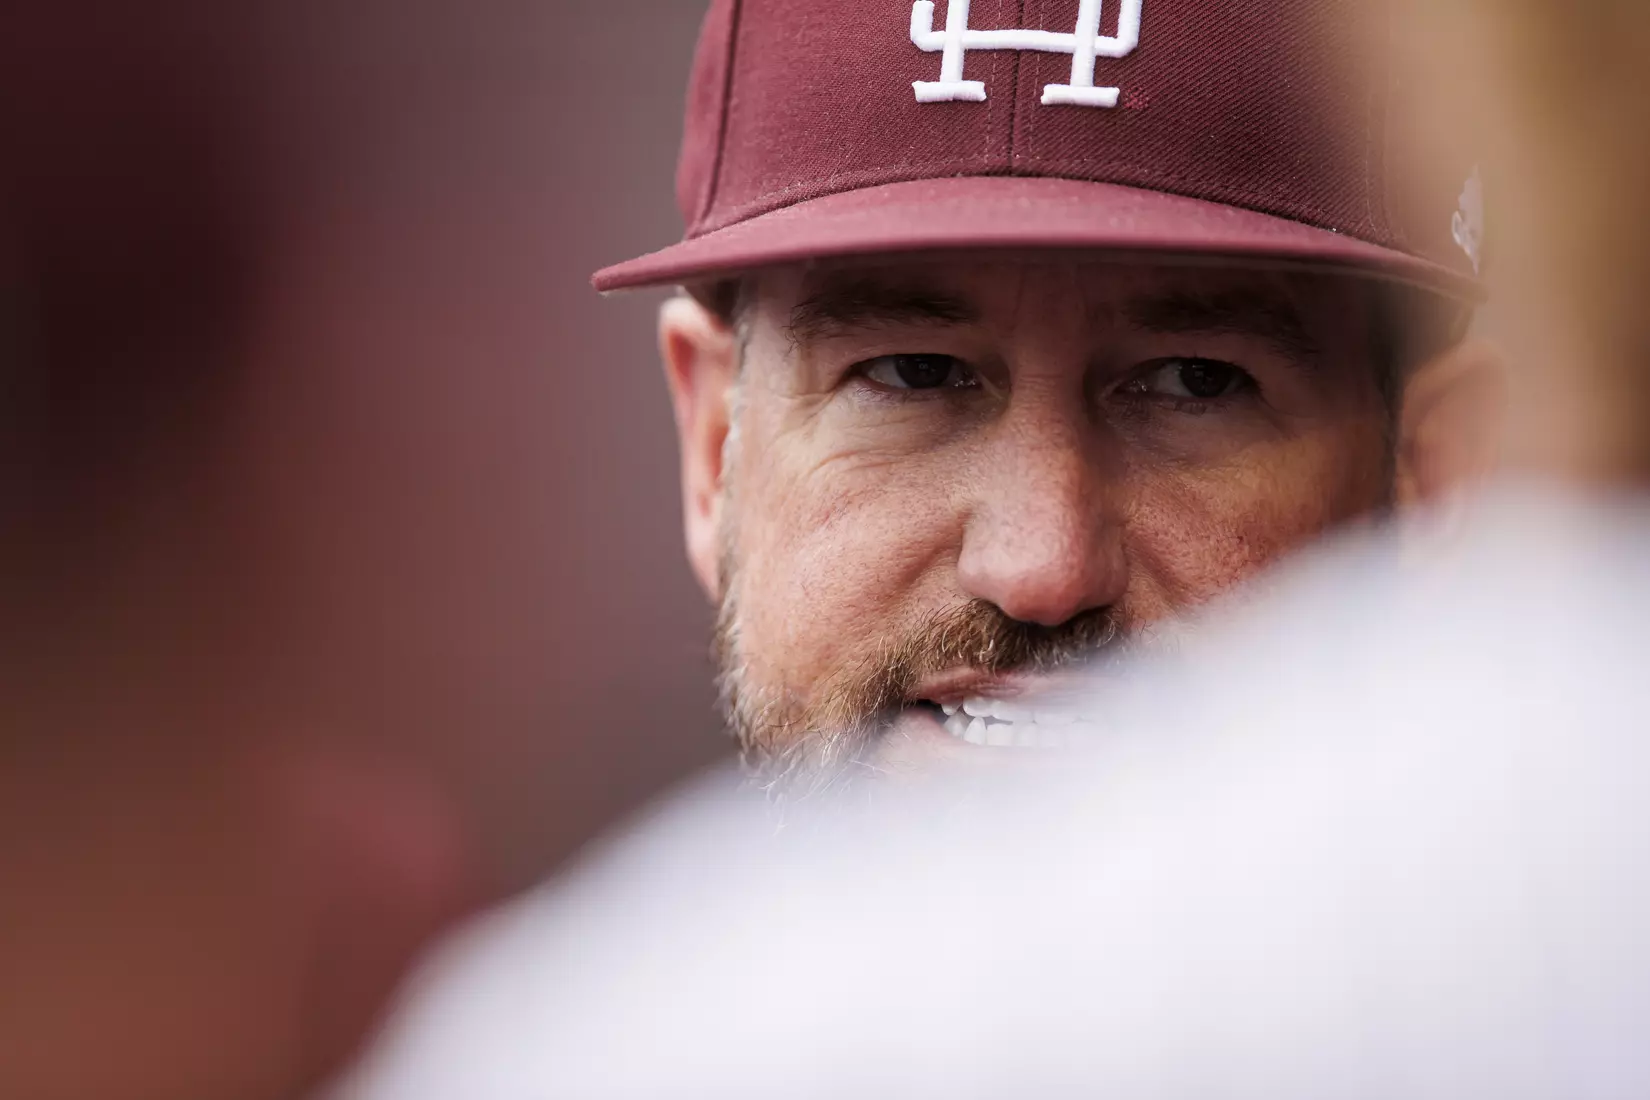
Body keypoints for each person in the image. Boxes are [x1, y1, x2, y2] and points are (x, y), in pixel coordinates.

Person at [600, 0, 1498, 788]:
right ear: (715, 444)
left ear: (1433, 483)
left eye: (1197, 382)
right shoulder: (550, 985)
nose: (1043, 571)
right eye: (913, 373)